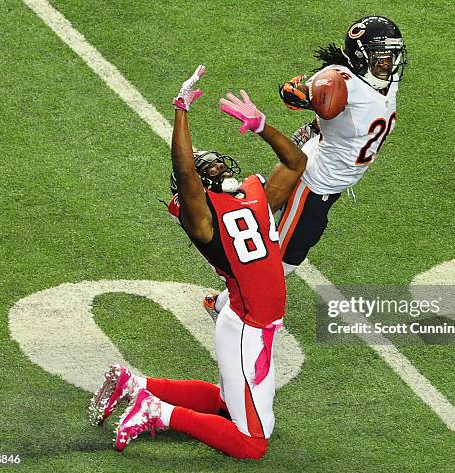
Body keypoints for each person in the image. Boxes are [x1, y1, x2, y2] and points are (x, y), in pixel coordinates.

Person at [88, 65, 307, 459]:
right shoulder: (202, 219)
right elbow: (185, 173)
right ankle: (158, 412)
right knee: (253, 444)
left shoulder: (254, 193)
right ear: (198, 187)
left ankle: (134, 384)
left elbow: (295, 164)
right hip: (246, 327)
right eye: (206, 167)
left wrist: (262, 126)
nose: (216, 166)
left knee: (226, 404)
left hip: (256, 323)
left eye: (217, 162)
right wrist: (181, 112)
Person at [204, 15, 408, 319]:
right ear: (362, 56)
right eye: (381, 55)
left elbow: (339, 121)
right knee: (279, 256)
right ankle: (228, 303)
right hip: (314, 182)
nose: (388, 62)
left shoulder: (382, 82)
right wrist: (298, 93)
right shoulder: (341, 81)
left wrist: (309, 130)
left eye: (392, 55)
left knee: (282, 245)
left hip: (330, 178)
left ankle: (225, 288)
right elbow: (302, 92)